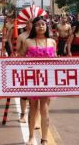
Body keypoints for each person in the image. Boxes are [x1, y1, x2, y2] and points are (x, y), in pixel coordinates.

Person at [21, 16, 56, 145]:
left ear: (46, 27)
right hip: (32, 79)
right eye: (38, 25)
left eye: (43, 24)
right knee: (33, 108)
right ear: (34, 27)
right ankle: (31, 136)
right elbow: (20, 60)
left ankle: (44, 138)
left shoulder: (52, 42)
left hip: (48, 80)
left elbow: (56, 61)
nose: (41, 26)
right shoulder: (28, 42)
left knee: (45, 109)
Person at [16, 19, 33, 123]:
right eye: (28, 23)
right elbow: (17, 50)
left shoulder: (40, 37)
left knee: (36, 95)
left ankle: (34, 116)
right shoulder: (21, 36)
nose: (30, 25)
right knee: (24, 92)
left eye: (32, 23)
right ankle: (23, 114)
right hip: (24, 65)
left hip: (36, 68)